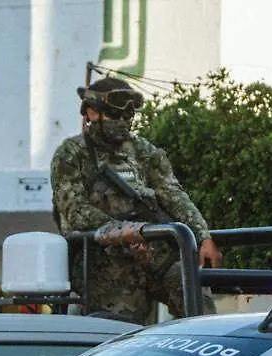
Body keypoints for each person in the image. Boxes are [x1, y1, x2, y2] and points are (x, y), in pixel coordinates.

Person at [51, 76, 222, 324]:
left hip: (152, 251)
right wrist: (126, 233)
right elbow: (75, 211)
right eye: (114, 115)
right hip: (102, 260)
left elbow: (173, 194)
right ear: (91, 112)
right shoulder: (71, 154)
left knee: (195, 296)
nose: (122, 122)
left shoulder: (143, 151)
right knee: (122, 337)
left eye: (127, 117)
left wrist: (202, 235)